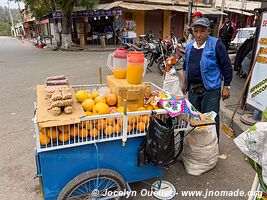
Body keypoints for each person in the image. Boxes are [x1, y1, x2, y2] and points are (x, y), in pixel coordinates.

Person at [181, 18, 233, 139]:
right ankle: (199, 145)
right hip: (193, 88)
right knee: (195, 118)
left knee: (210, 119)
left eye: (202, 31)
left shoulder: (216, 44)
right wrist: (184, 82)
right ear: (192, 31)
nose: (198, 35)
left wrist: (227, 86)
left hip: (210, 89)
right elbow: (185, 65)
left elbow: (226, 66)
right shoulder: (189, 47)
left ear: (209, 31)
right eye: (196, 31)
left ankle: (212, 147)